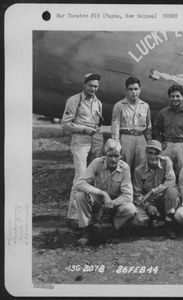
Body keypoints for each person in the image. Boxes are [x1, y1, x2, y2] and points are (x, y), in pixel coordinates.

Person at [75, 139, 148, 246]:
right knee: (80, 195)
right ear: (105, 155)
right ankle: (87, 229)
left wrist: (108, 205)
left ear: (121, 156)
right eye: (110, 156)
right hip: (100, 198)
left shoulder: (125, 168)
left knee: (130, 209)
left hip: (116, 202)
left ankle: (116, 228)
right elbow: (80, 183)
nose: (113, 159)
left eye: (116, 156)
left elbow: (128, 196)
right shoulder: (97, 163)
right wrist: (102, 194)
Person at [61, 73, 104, 227]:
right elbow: (66, 125)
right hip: (80, 141)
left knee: (94, 178)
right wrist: (85, 129)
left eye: (96, 86)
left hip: (95, 142)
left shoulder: (98, 103)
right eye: (90, 85)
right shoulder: (74, 100)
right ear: (84, 85)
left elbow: (98, 123)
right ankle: (73, 215)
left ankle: (90, 212)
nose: (93, 89)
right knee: (80, 177)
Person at [133, 140, 180, 239]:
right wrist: (147, 205)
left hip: (164, 199)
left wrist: (152, 191)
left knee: (172, 192)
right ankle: (152, 221)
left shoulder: (166, 162)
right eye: (150, 153)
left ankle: (169, 225)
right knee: (138, 220)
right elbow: (137, 195)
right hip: (149, 202)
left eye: (156, 153)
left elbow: (171, 181)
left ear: (161, 153)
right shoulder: (138, 170)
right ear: (145, 152)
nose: (153, 156)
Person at [111, 76, 152, 171]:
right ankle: (125, 185)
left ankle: (137, 185)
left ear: (140, 90)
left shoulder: (145, 106)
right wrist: (116, 144)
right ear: (126, 90)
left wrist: (149, 143)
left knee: (141, 166)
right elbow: (115, 127)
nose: (133, 92)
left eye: (136, 89)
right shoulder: (119, 105)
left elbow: (148, 126)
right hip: (126, 137)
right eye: (130, 89)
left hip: (141, 138)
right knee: (124, 165)